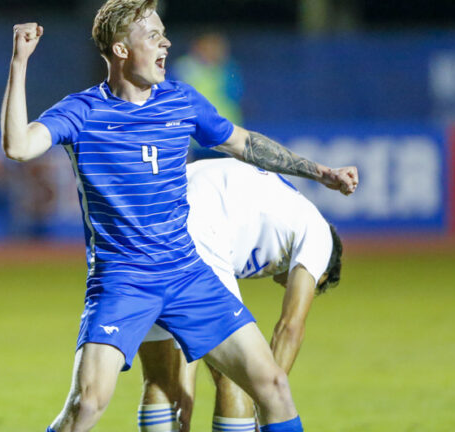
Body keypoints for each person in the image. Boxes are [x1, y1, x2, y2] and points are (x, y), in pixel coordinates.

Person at [0, 0, 358, 432]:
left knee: (272, 386)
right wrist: (19, 64)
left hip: (188, 273)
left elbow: (244, 143)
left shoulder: (180, 100)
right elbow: (18, 146)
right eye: (154, 36)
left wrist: (319, 172)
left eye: (165, 35)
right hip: (123, 280)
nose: (166, 44)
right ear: (121, 48)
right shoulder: (83, 111)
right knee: (88, 404)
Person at [139, 157, 344, 431]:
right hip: (200, 218)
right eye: (315, 284)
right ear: (323, 270)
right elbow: (290, 327)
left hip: (149, 211)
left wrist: (185, 385)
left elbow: (190, 318)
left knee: (159, 377)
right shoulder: (320, 236)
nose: (295, 286)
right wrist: (268, 398)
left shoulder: (271, 220)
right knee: (238, 374)